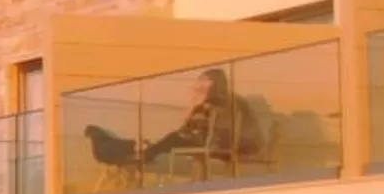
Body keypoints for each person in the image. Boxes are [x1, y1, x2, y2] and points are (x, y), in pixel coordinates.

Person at [84, 68, 257, 175]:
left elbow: (188, 128)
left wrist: (193, 105)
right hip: (225, 142)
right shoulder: (231, 100)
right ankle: (140, 149)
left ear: (211, 82)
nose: (198, 84)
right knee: (170, 139)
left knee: (172, 138)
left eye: (202, 80)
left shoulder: (211, 103)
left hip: (218, 143)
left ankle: (142, 153)